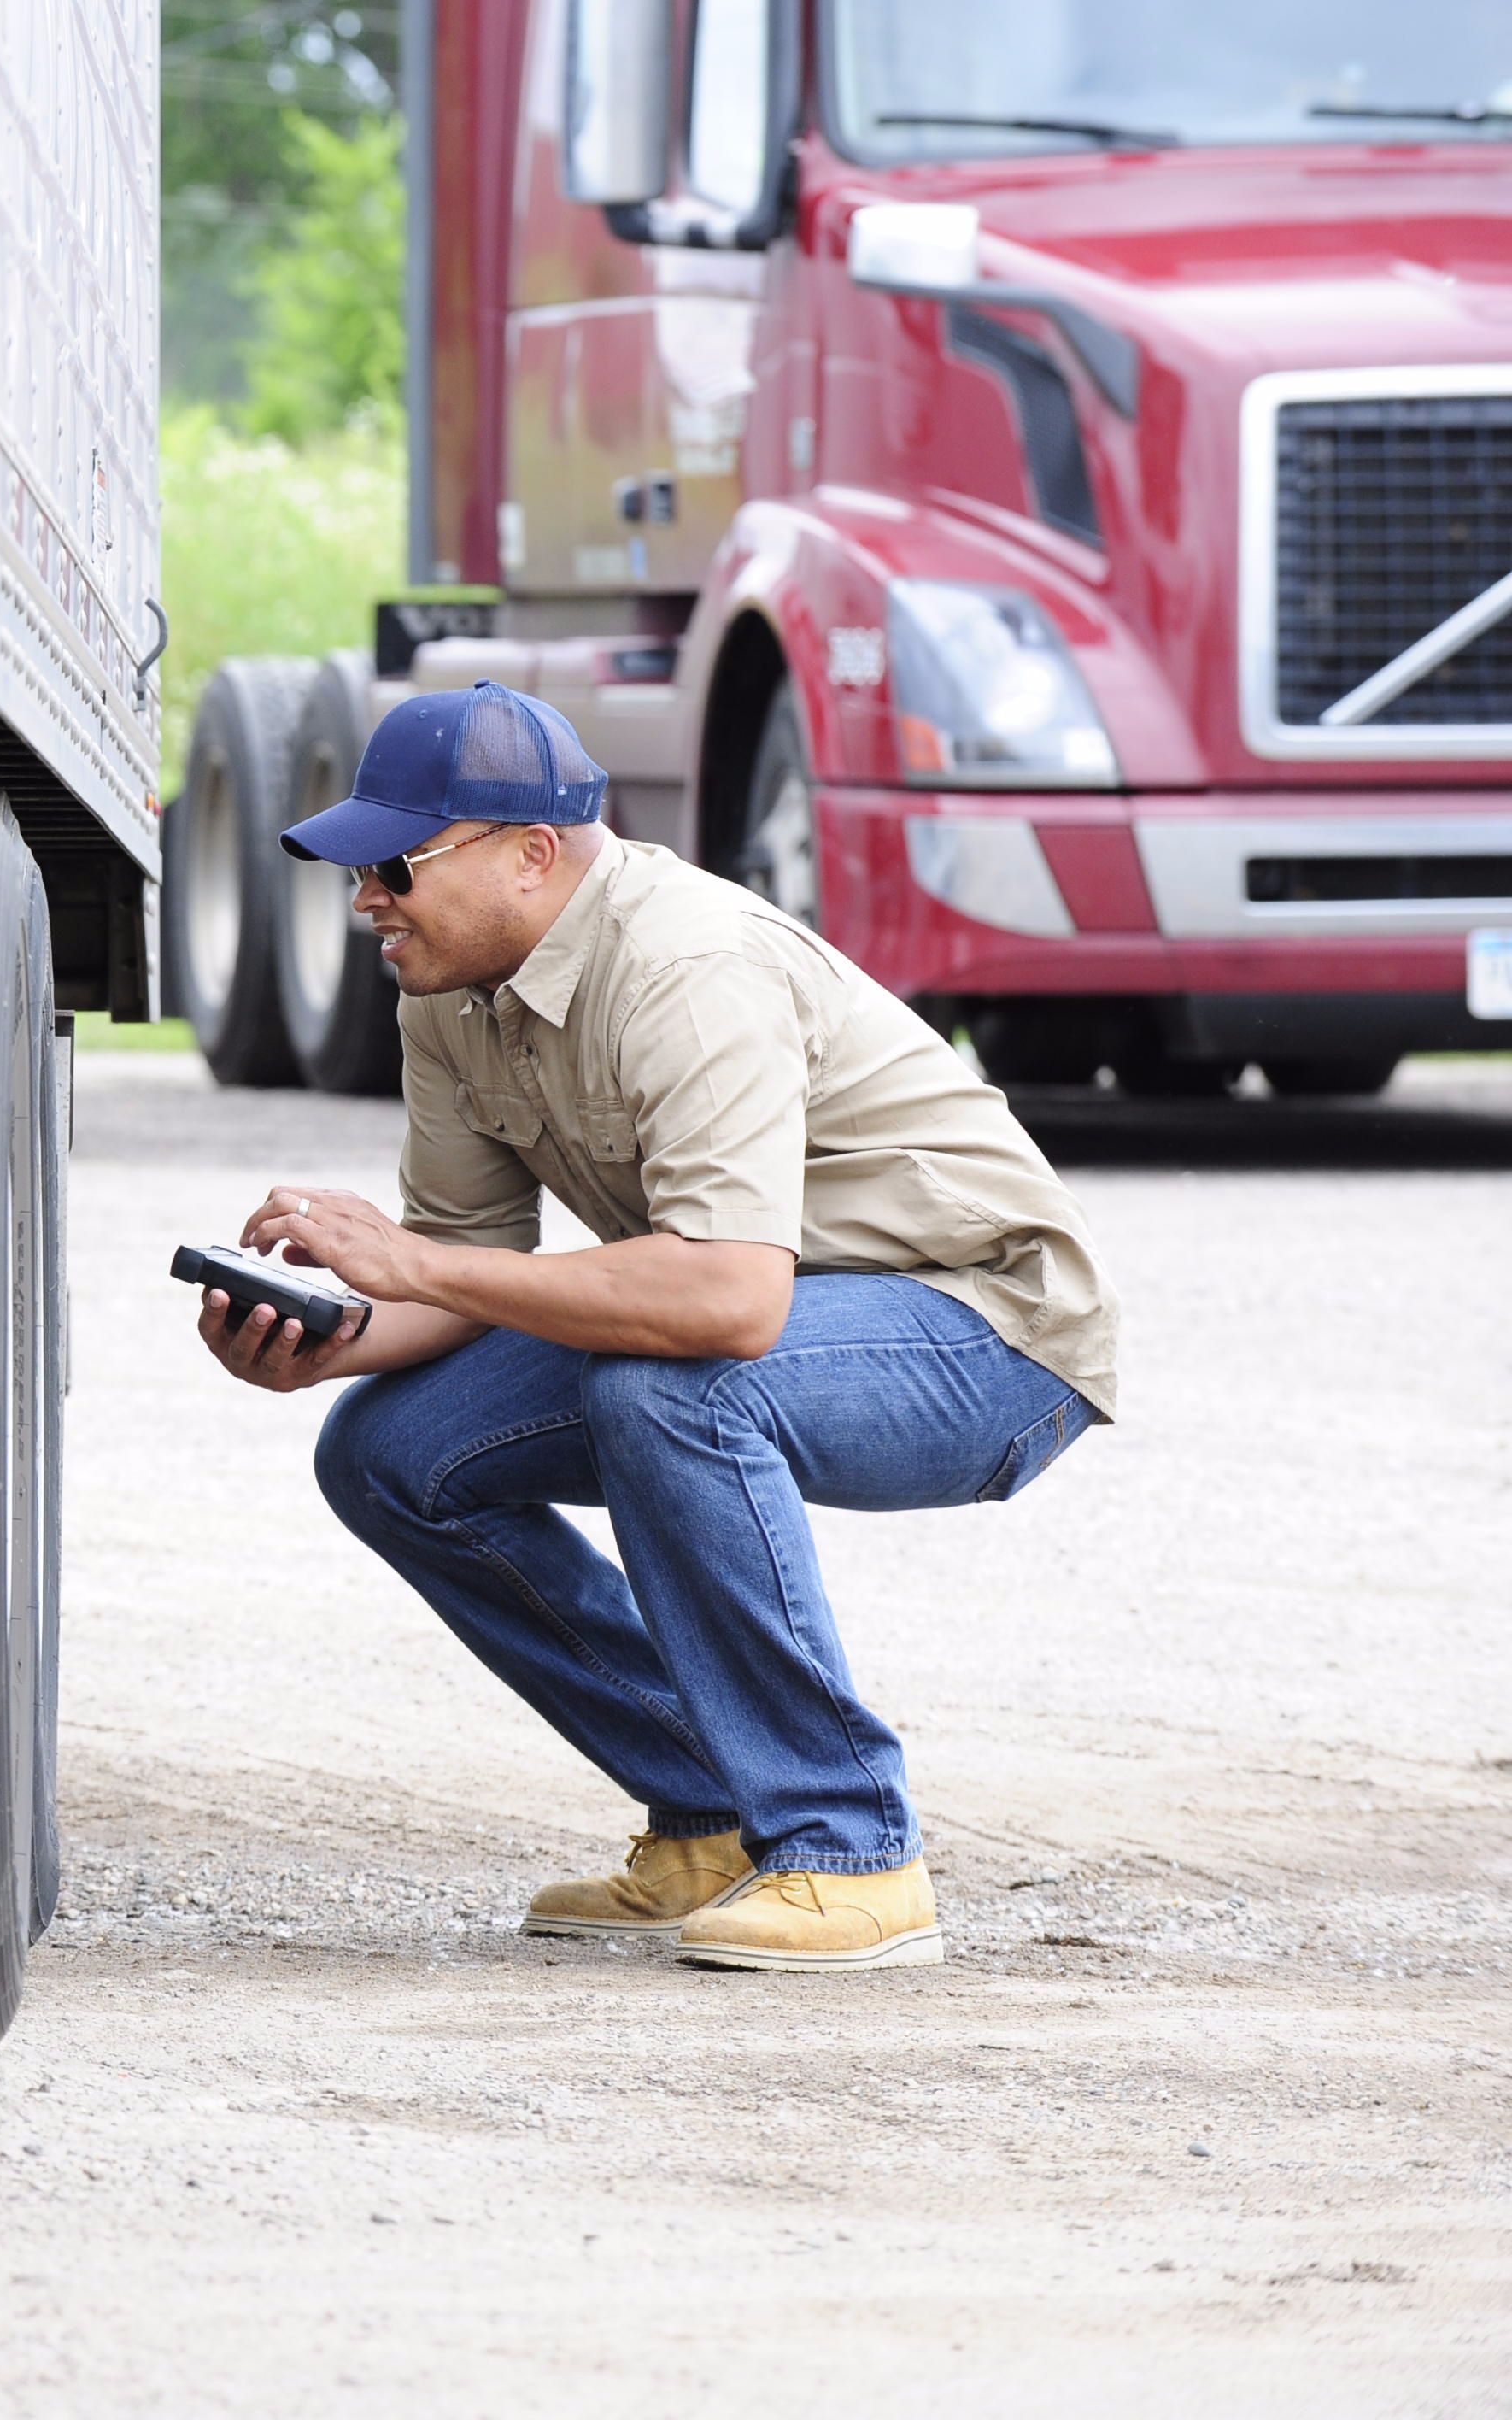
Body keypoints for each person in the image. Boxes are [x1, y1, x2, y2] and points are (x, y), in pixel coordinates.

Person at [198, 681, 1116, 1971]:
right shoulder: (446, 990)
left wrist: (405, 1264)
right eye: (357, 867)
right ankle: (711, 1818)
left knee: (672, 1390)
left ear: (532, 854)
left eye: (395, 865)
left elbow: (728, 1305)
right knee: (387, 1453)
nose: (367, 902)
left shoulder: (688, 964)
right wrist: (323, 1339)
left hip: (989, 1331)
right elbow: (465, 1266)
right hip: (782, 1316)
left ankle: (854, 1849)